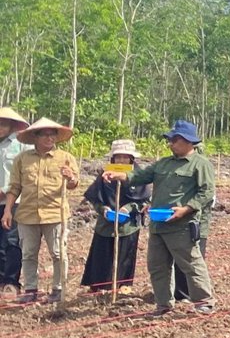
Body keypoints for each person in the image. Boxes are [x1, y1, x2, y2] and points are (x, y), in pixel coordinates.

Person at [104, 120, 217, 315]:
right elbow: (140, 176)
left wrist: (186, 209)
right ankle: (163, 304)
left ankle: (204, 301)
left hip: (182, 224)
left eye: (175, 140)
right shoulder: (163, 163)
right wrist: (118, 175)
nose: (170, 143)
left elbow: (207, 192)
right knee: (157, 265)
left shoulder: (200, 164)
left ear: (189, 142)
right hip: (158, 224)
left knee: (191, 263)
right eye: (170, 139)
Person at [2, 118, 80, 304]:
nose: (49, 137)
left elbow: (73, 184)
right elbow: (14, 188)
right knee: (28, 254)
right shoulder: (23, 159)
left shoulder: (65, 158)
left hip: (55, 213)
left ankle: (58, 289)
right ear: (35, 137)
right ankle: (30, 289)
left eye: (52, 133)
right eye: (44, 134)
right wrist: (7, 210)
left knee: (58, 253)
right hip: (27, 214)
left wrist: (70, 177)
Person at [81, 139, 148, 294]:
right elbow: (95, 198)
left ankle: (123, 285)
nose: (122, 160)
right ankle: (98, 286)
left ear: (131, 158)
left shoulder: (139, 175)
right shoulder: (104, 176)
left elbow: (143, 200)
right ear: (113, 158)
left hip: (128, 224)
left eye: (126, 157)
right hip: (106, 223)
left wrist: (128, 208)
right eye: (118, 157)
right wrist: (103, 209)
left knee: (125, 254)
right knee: (102, 254)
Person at [0, 106, 33, 298]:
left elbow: (27, 172)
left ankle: (11, 282)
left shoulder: (22, 145)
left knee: (12, 242)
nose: (1, 127)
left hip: (15, 200)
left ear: (12, 125)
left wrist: (6, 192)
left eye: (4, 124)